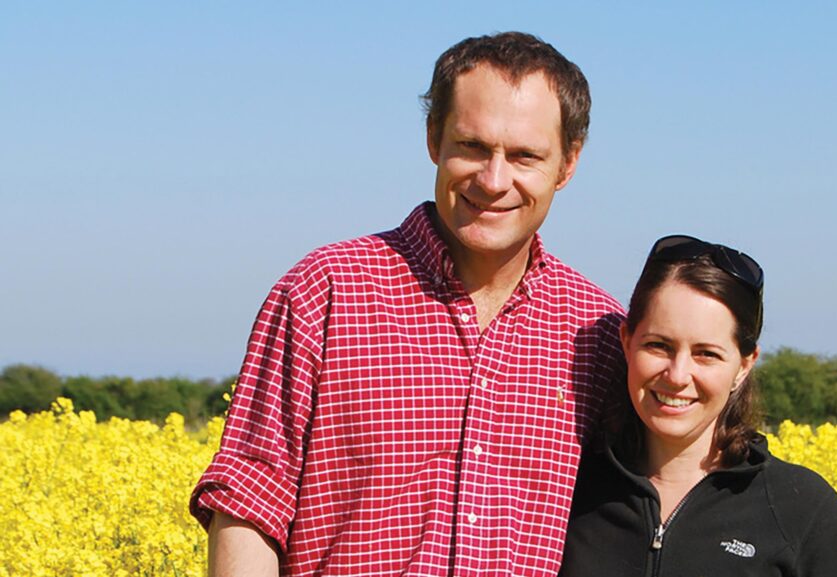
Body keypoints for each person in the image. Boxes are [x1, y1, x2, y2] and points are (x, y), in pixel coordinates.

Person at [189, 32, 624, 577]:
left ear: (568, 164)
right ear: (433, 139)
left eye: (524, 156)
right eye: (472, 146)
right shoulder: (324, 292)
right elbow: (249, 502)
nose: (493, 180)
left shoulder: (601, 333)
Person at [560, 235, 837, 577]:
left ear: (744, 365)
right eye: (658, 346)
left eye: (706, 354)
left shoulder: (803, 511)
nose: (677, 375)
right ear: (627, 342)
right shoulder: (567, 488)